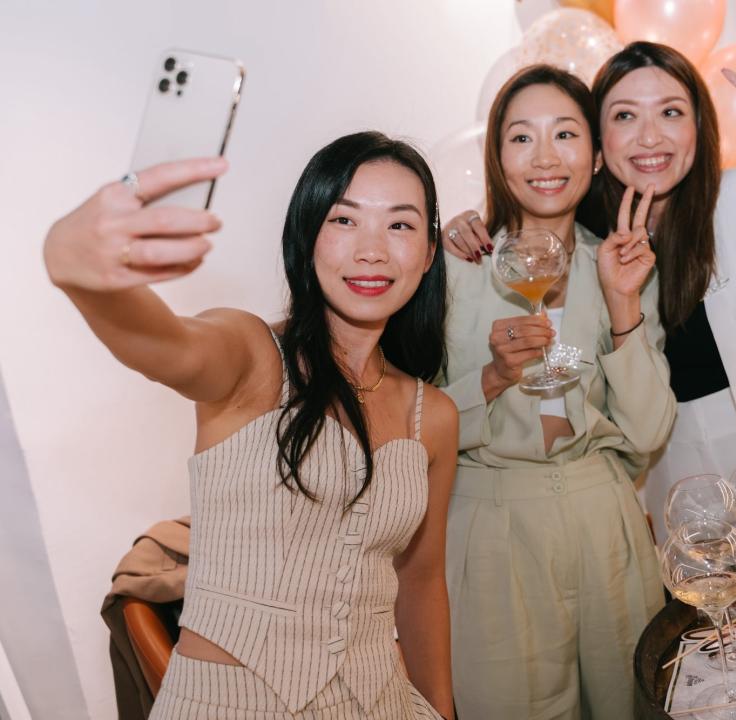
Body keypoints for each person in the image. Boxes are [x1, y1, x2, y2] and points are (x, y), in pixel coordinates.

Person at [446, 44, 736, 546]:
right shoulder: (588, 244)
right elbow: (570, 364)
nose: (649, 136)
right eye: (625, 115)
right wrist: (473, 223)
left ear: (699, 125)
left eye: (671, 112)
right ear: (597, 143)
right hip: (689, 493)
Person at [44, 132, 456, 719]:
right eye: (344, 220)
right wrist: (80, 270)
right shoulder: (251, 355)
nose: (372, 251)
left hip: (381, 701)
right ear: (306, 235)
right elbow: (166, 344)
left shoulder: (432, 415)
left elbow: (421, 581)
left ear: (430, 251)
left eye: (400, 225)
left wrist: (442, 709)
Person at [439, 64, 676, 719]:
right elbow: (409, 423)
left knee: (633, 704)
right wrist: (491, 379)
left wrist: (623, 302)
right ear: (497, 156)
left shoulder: (621, 263)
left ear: (597, 156)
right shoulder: (456, 271)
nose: (545, 157)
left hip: (605, 525)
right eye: (522, 138)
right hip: (491, 528)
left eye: (566, 134)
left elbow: (649, 431)